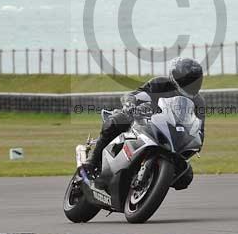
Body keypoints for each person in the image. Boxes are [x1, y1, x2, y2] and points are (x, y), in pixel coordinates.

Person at [82, 56, 206, 185]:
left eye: (195, 81)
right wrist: (130, 104)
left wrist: (195, 140)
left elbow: (199, 129)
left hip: (172, 135)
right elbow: (136, 95)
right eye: (187, 80)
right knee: (116, 121)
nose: (191, 84)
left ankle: (155, 180)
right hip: (144, 120)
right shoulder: (161, 84)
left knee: (186, 176)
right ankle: (92, 161)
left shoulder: (198, 101)